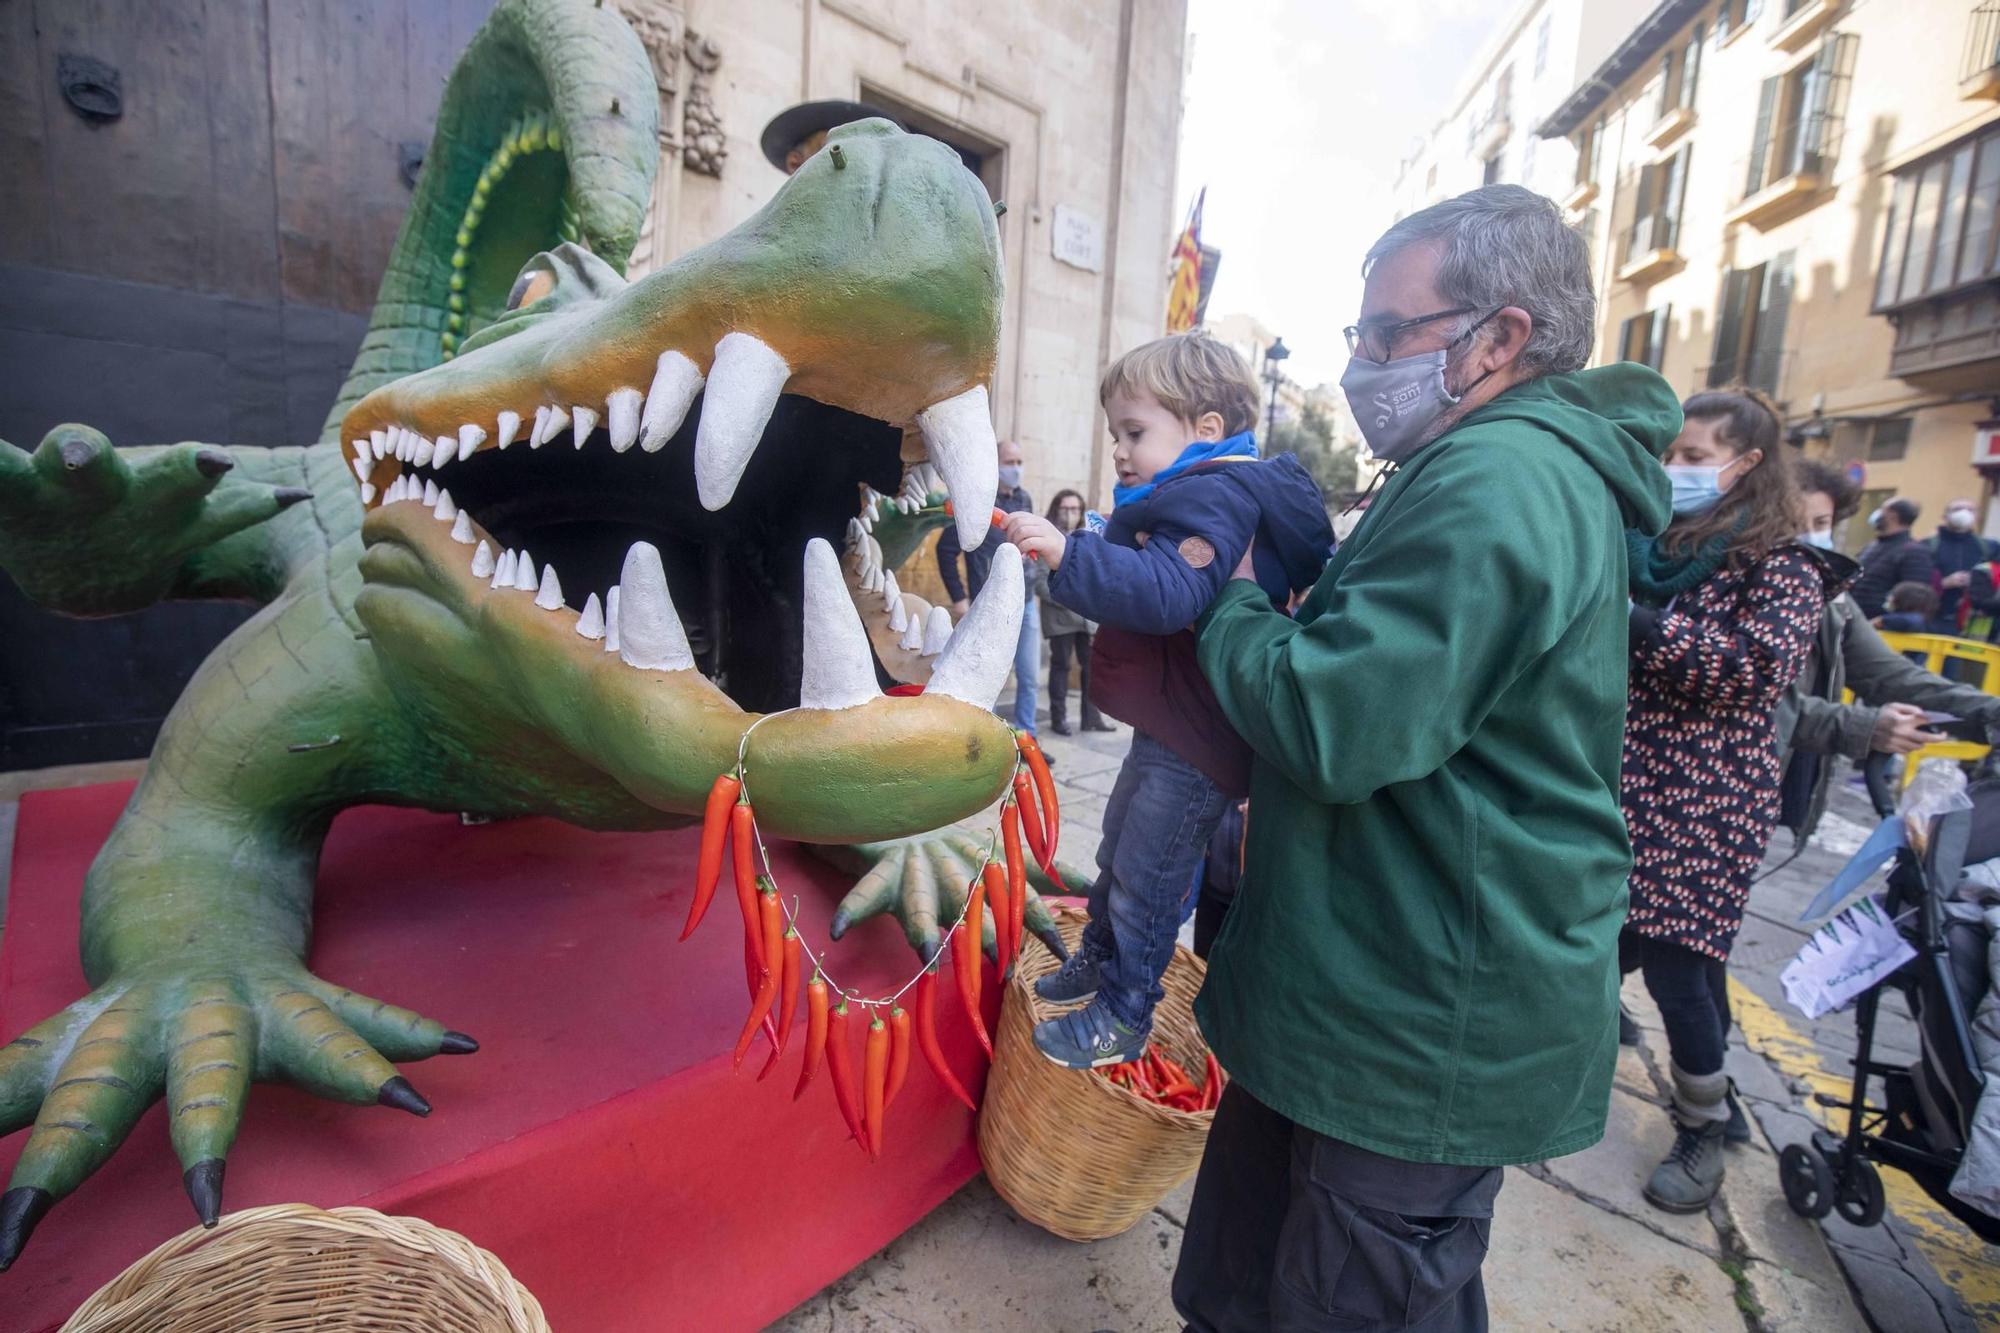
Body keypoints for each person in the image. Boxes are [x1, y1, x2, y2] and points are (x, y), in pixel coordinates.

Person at [1173, 185, 1678, 1332]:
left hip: (1422, 1009)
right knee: (1258, 1278)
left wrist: (1234, 603)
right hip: (1367, 974)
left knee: (1359, 1295)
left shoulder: (1501, 479)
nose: (1359, 363)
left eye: (1383, 334)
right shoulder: (1473, 462)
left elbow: (1331, 721)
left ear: (1496, 338)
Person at [1002, 332, 1332, 1072]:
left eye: (1136, 431)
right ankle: (1095, 960)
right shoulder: (1194, 489)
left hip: (1200, 742)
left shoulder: (1215, 493)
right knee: (1117, 855)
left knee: (1147, 879)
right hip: (1172, 726)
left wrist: (1068, 552)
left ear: (1206, 429)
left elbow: (1167, 590)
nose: (1120, 449)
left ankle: (1124, 1010)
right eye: (1117, 432)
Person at [1621, 387, 1846, 1215]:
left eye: (1692, 455)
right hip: (1626, 790)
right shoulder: (1665, 548)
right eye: (1669, 453)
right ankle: (1691, 1094)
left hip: (1704, 809)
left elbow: (1749, 670)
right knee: (1611, 957)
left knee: (1679, 972)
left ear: (1747, 464)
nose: (1673, 468)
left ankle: (1702, 1127)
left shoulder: (1788, 567)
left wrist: (1639, 623)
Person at [1778, 458, 2000, 847]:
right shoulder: (1728, 586)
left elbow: (1888, 674)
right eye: (1794, 525)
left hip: (1770, 787)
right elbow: (1750, 704)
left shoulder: (1830, 598)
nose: (1809, 538)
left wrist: (1990, 715)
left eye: (1820, 524)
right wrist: (1861, 726)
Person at [937, 438, 1039, 734]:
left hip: (1027, 601)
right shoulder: (979, 504)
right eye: (1009, 462)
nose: (1016, 469)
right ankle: (991, 741)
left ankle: (1027, 737)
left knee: (1029, 677)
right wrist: (959, 597)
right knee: (987, 678)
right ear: (995, 465)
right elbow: (946, 550)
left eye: (1019, 463)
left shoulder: (1025, 500)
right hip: (989, 607)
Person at [1037, 489, 1112, 735]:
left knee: (1091, 666)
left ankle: (1091, 717)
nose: (1070, 514)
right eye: (1065, 509)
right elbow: (1039, 581)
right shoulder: (1044, 536)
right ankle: (1059, 719)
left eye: (1075, 509)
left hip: (1086, 616)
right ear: (1056, 509)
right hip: (1060, 617)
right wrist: (1069, 597)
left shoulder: (1086, 537)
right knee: (1061, 667)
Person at [1925, 497, 1998, 634]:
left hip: (1974, 620)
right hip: (1935, 616)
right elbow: (1914, 582)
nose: (1964, 513)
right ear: (1945, 516)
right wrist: (1942, 583)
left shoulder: (1990, 547)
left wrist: (1977, 583)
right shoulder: (1927, 545)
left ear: (1977, 516)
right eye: (1957, 509)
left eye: (1970, 510)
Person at [1851, 496, 1933, 618]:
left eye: (1882, 510)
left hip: (1881, 626)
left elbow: (1913, 599)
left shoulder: (1914, 552)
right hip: (1855, 617)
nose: (1878, 515)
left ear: (1892, 516)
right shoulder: (1872, 546)